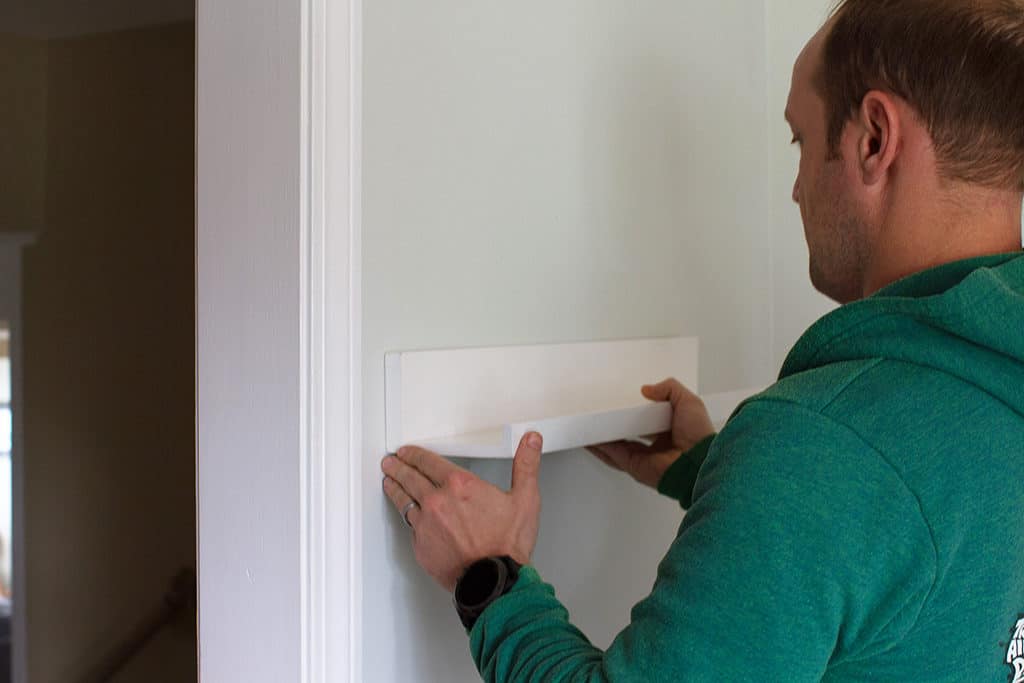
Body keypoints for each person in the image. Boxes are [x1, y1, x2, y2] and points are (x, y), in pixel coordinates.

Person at [380, 0, 1024, 679]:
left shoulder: (823, 445)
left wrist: (491, 580)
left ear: (873, 138)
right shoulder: (990, 381)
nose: (798, 190)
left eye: (799, 141)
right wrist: (713, 467)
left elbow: (861, 493)